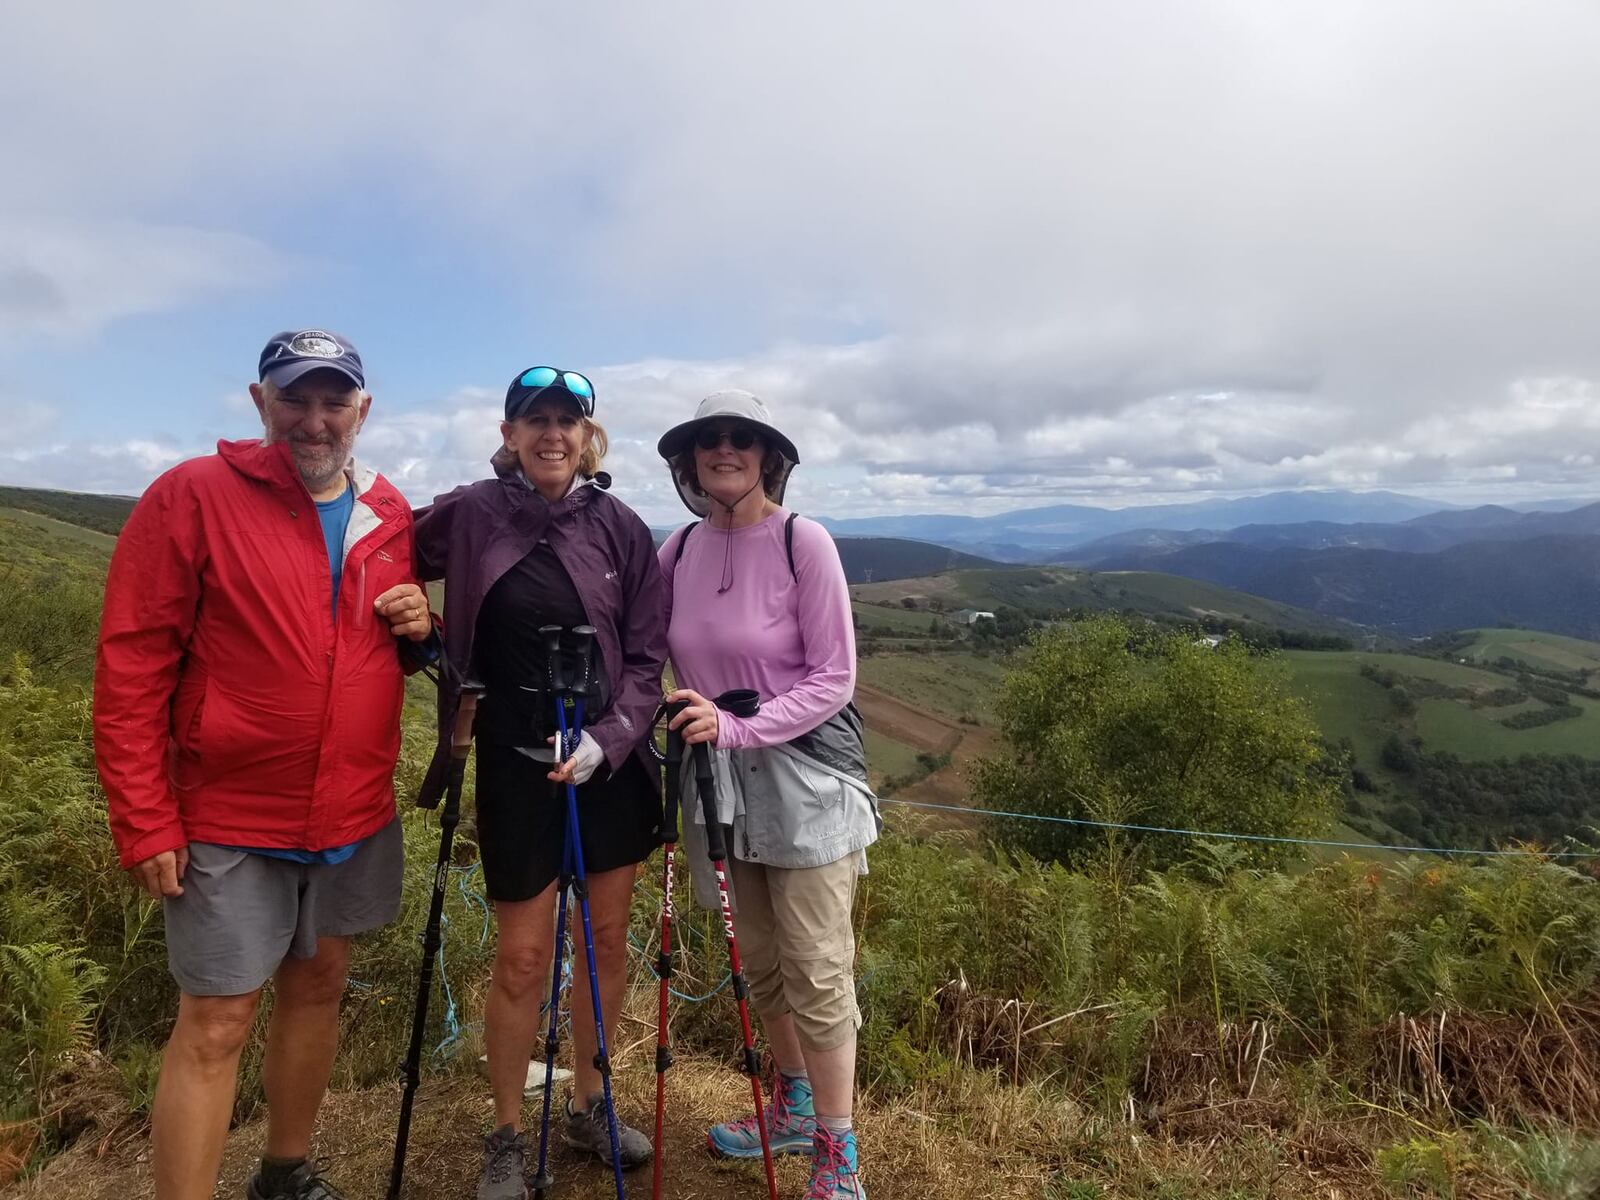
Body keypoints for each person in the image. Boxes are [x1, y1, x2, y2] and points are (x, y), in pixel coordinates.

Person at [94, 329, 434, 1200]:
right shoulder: (191, 496)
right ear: (259, 403)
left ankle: (285, 1171)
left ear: (363, 410)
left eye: (333, 401)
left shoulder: (389, 510)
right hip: (228, 813)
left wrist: (417, 631)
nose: (313, 420)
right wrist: (144, 815)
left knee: (319, 985)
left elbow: (362, 648)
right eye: (295, 398)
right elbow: (133, 664)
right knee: (215, 1020)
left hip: (351, 809)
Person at [412, 365, 667, 1200]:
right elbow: (386, 542)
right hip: (516, 762)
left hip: (608, 764)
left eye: (568, 420)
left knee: (604, 942)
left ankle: (591, 1103)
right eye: (536, 420)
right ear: (510, 434)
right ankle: (507, 1135)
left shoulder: (622, 527)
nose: (552, 433)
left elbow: (645, 654)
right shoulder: (472, 512)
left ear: (588, 435)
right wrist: (408, 614)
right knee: (523, 959)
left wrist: (611, 738)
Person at [657, 390, 879, 1200]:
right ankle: (789, 1106)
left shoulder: (801, 541)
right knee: (761, 960)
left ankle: (838, 1150)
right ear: (689, 461)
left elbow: (834, 679)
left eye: (740, 439)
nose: (724, 449)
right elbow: (639, 642)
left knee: (819, 970)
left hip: (806, 780)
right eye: (708, 440)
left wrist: (737, 726)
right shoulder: (676, 550)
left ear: (766, 456)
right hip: (713, 782)